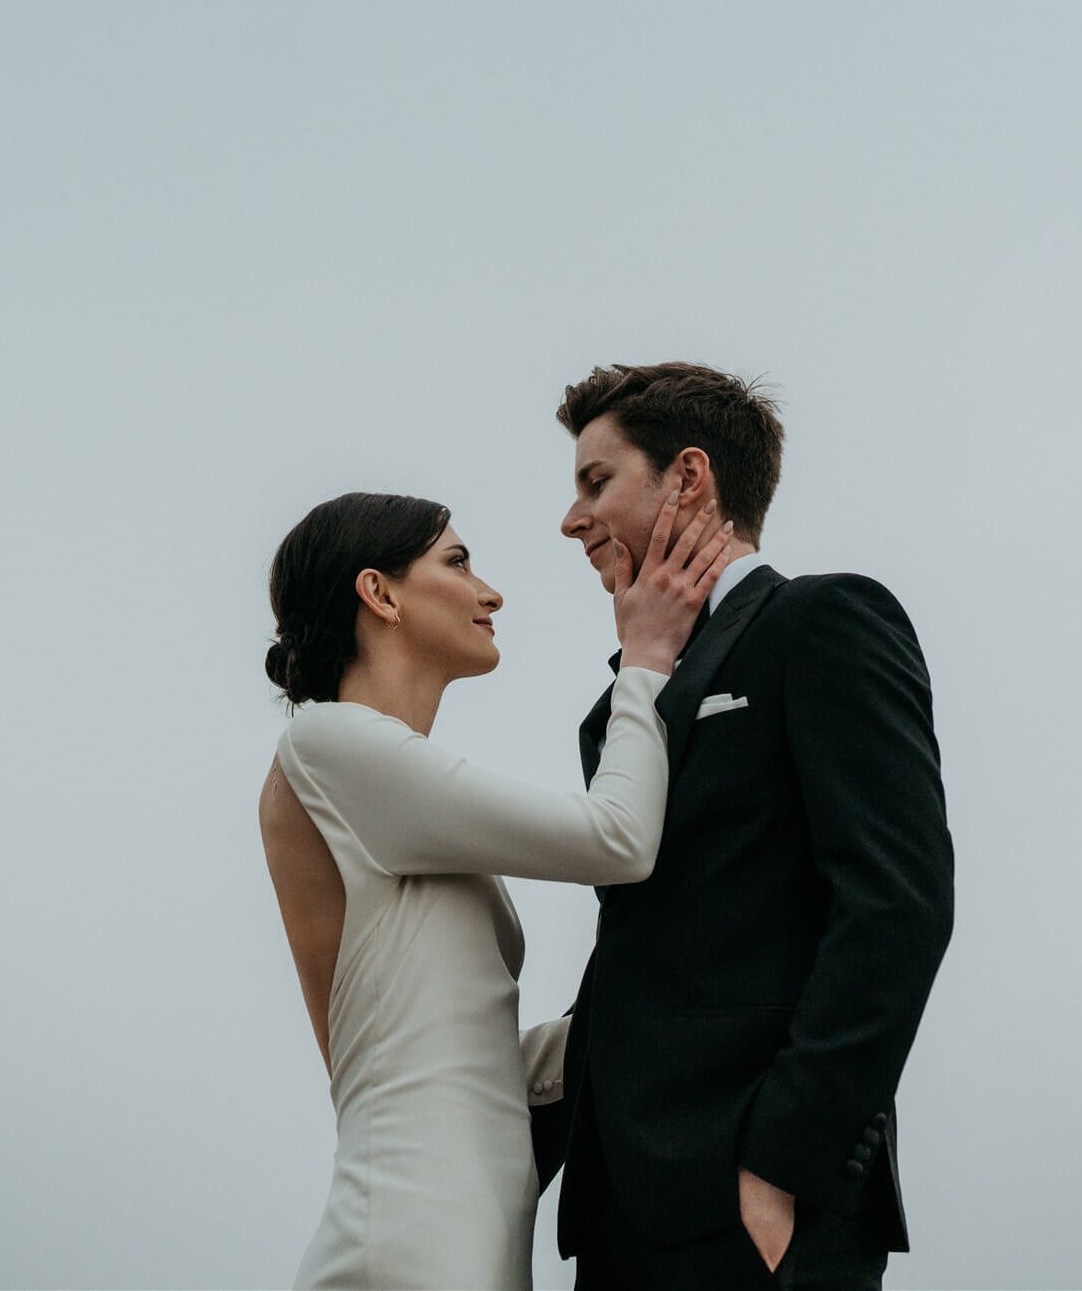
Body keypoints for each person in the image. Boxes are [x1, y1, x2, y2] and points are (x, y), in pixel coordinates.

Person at [542, 363, 955, 1290]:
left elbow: (897, 903)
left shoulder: (823, 621)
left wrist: (780, 1166)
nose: (571, 519)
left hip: (761, 1207)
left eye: (595, 481)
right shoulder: (615, 712)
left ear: (688, 477)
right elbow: (644, 946)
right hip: (619, 1215)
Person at [259, 490, 734, 1290]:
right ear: (378, 594)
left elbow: (443, 1055)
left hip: (461, 1237)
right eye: (456, 561)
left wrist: (655, 1009)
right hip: (413, 1241)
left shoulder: (370, 782)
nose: (491, 591)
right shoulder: (330, 741)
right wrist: (647, 659)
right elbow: (617, 837)